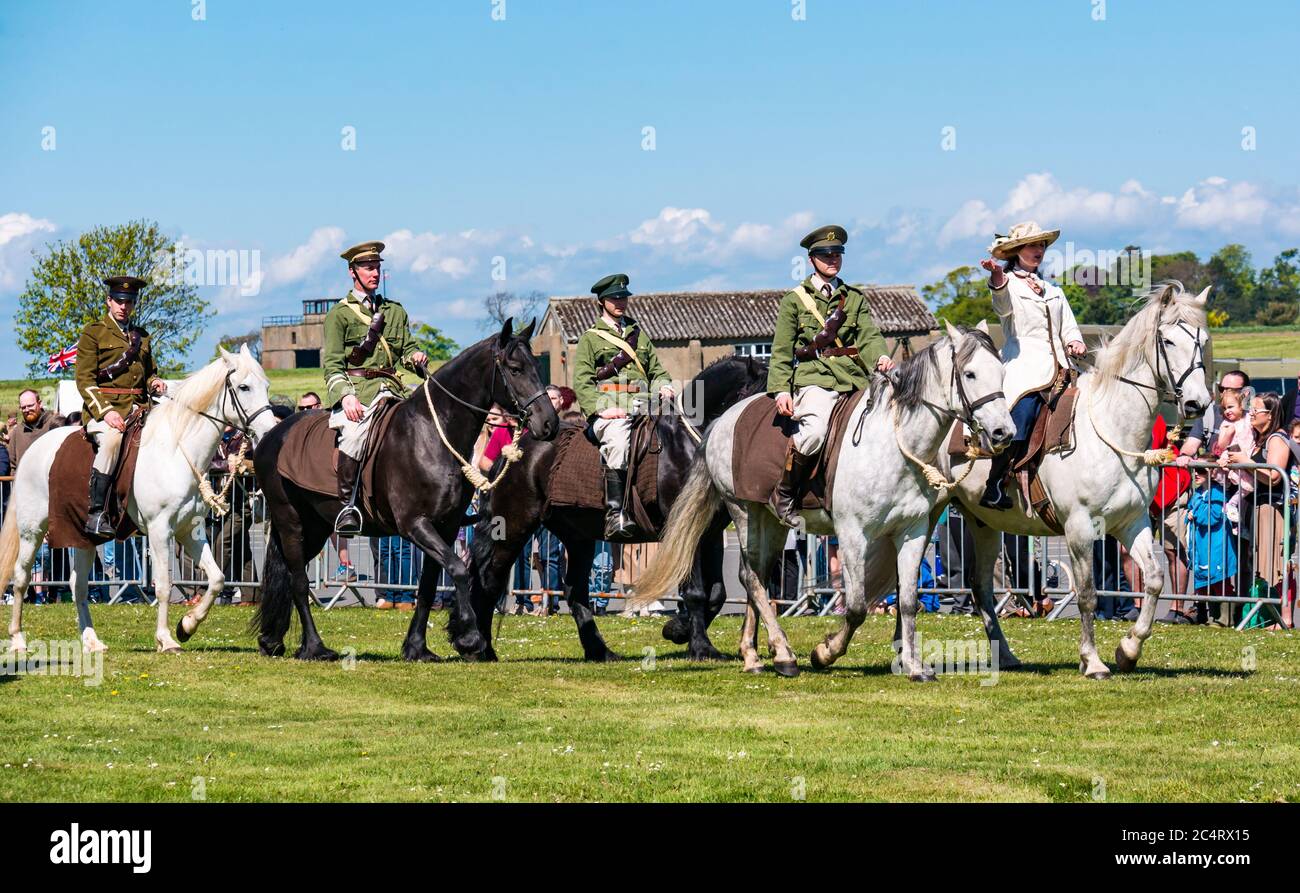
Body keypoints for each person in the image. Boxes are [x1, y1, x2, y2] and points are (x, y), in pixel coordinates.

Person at [767, 225, 893, 526]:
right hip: (816, 378)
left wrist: (882, 355)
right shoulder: (794, 300)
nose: (832, 259)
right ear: (812, 259)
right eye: (825, 254)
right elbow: (782, 349)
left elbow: (868, 335)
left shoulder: (854, 298)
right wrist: (781, 390)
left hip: (855, 378)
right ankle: (785, 492)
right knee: (813, 433)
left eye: (837, 254)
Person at [979, 221, 1086, 508]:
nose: (1038, 250)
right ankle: (995, 485)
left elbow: (1069, 327)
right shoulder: (1007, 283)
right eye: (1032, 245)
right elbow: (1002, 308)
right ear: (1016, 250)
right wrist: (998, 280)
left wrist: (1075, 341)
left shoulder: (1053, 289)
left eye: (1041, 245)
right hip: (1024, 366)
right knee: (1022, 417)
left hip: (1063, 366)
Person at [322, 241, 427, 535]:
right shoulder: (339, 315)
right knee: (354, 436)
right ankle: (347, 506)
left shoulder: (395, 312)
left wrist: (415, 357)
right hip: (360, 391)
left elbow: (406, 348)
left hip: (394, 388)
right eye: (368, 267)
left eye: (378, 267)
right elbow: (332, 364)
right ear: (352, 272)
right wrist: (346, 397)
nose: (375, 272)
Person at [572, 273, 674, 541]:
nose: (621, 302)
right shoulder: (590, 339)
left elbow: (657, 370)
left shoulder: (637, 334)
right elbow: (582, 382)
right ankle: (615, 514)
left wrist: (663, 385)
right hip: (610, 408)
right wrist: (599, 409)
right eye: (615, 298)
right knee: (618, 441)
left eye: (624, 297)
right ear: (602, 301)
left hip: (645, 404)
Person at [75, 275, 168, 537]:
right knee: (113, 441)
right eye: (118, 301)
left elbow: (148, 373)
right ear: (109, 301)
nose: (123, 306)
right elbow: (84, 379)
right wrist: (106, 411)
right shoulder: (93, 333)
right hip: (103, 410)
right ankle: (96, 513)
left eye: (129, 302)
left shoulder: (142, 336)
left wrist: (155, 382)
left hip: (140, 410)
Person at [1231, 393, 1297, 624]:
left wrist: (1245, 461)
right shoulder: (1259, 439)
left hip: (1274, 507)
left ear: (1269, 415)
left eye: (1256, 410)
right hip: (1259, 506)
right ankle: (1270, 618)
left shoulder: (1277, 439)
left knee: (1278, 565)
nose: (1251, 413)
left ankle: (1285, 620)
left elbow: (1275, 476)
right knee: (1263, 563)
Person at [6, 389, 66, 472]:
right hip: (24, 482)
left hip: (49, 481)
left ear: (40, 403)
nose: (27, 410)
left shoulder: (54, 424)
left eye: (30, 405)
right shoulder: (17, 432)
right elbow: (12, 464)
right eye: (23, 407)